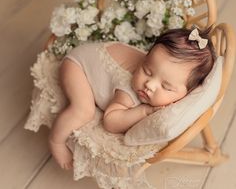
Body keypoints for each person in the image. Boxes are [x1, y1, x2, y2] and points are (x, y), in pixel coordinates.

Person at [48, 27, 216, 170]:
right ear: (145, 58)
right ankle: (56, 140)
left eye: (166, 86)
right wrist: (143, 111)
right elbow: (111, 122)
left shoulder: (165, 74)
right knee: (83, 110)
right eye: (147, 71)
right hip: (78, 65)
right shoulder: (129, 90)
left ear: (187, 93)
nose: (149, 84)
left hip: (100, 54)